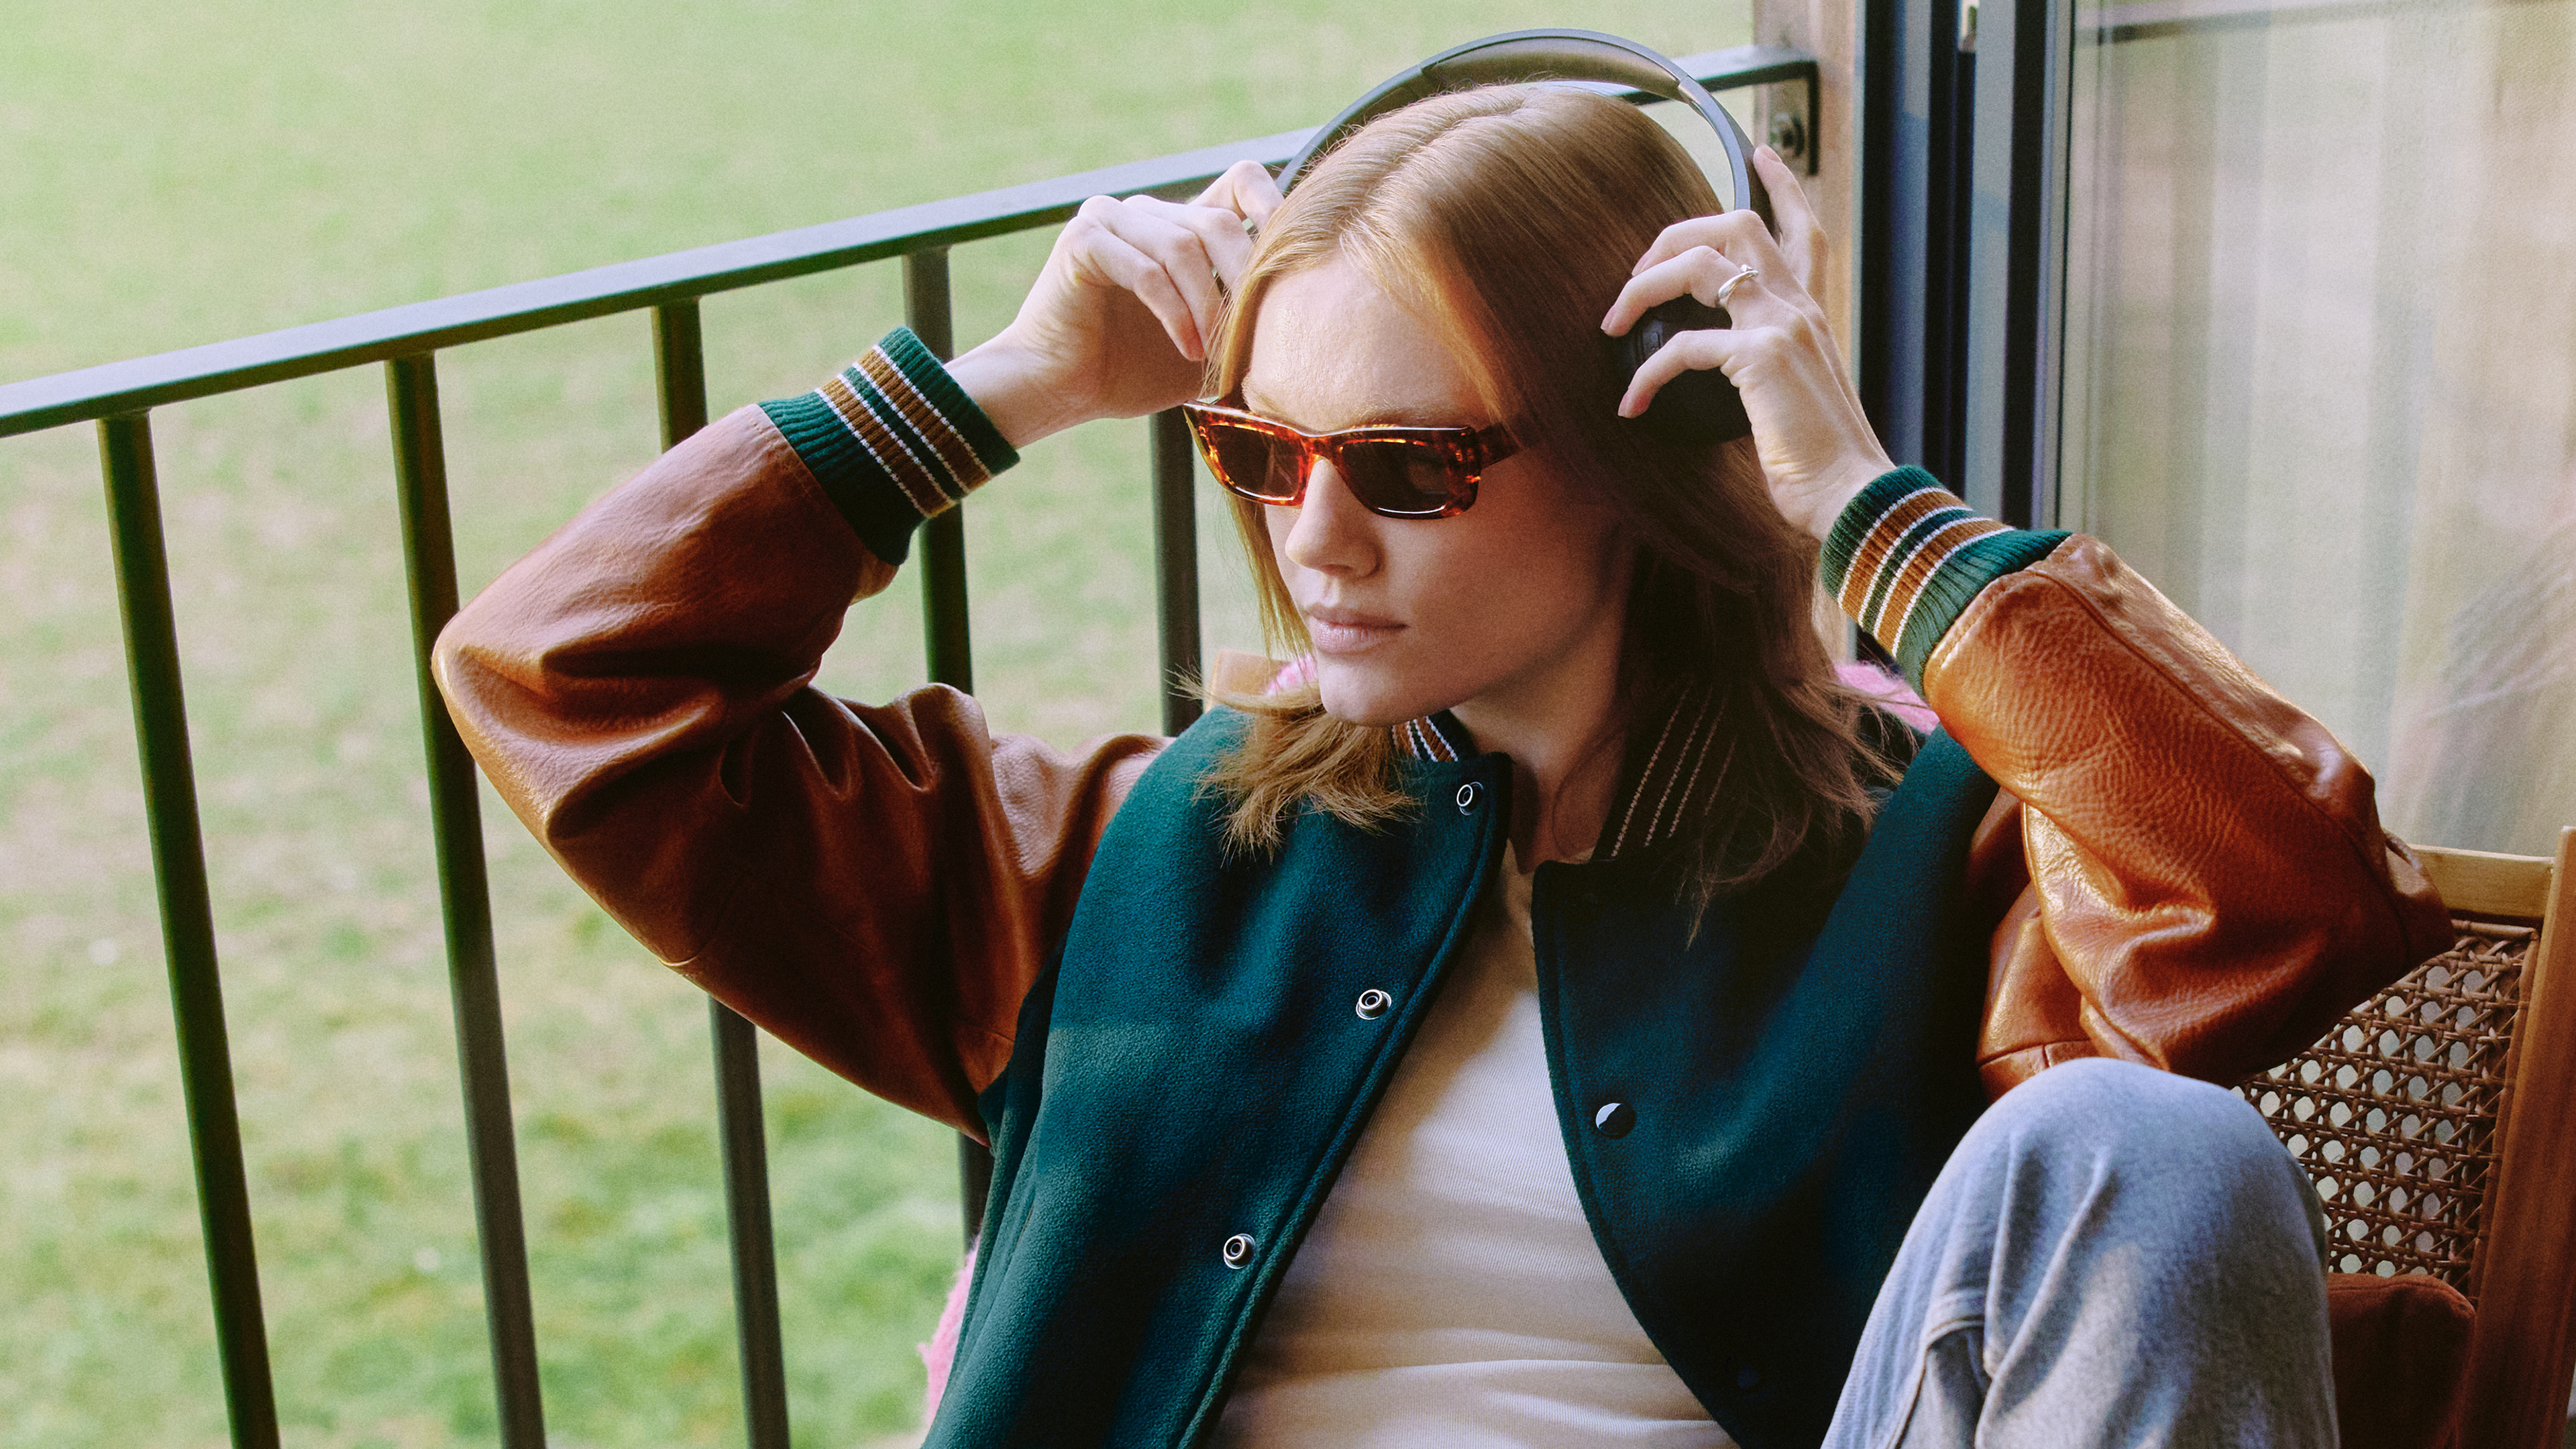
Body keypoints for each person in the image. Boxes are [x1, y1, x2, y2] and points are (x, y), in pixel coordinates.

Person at [433, 85, 2451, 1448]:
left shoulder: (1927, 863)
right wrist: (1012, 384)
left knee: (2158, 1155)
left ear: (1660, 460)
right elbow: (576, 689)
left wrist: (1859, 499)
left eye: (1410, 466)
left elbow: (2293, 899)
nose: (1314, 538)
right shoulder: (1127, 861)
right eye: (1258, 451)